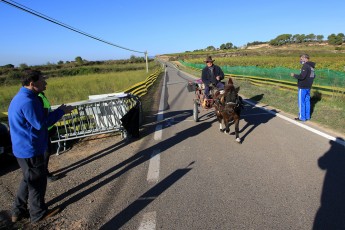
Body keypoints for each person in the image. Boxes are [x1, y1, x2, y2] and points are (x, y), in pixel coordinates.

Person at [8, 69, 74, 223]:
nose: (45, 83)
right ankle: (38, 213)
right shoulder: (28, 101)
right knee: (37, 182)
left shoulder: (22, 97)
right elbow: (41, 124)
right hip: (31, 149)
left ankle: (17, 211)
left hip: (22, 148)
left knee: (28, 179)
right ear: (32, 84)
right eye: (42, 81)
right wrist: (61, 111)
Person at [38, 92, 59, 182]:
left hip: (47, 128)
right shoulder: (37, 96)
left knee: (47, 151)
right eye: (42, 80)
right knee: (45, 152)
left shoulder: (41, 94)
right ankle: (43, 174)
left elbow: (47, 110)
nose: (45, 83)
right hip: (42, 130)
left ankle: (43, 172)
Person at [290, 54, 316, 121]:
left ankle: (302, 117)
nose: (300, 60)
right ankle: (307, 116)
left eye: (301, 59)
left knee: (301, 102)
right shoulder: (312, 67)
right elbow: (313, 76)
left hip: (303, 87)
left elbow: (302, 77)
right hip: (308, 87)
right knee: (307, 101)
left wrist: (294, 75)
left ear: (305, 58)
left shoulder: (305, 66)